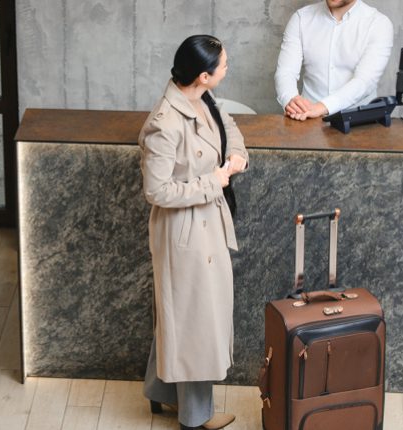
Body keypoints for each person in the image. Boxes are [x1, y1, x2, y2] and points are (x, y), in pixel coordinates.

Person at [138, 34, 249, 430]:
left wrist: (236, 155)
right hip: (184, 232)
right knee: (195, 322)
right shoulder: (164, 123)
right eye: (223, 64)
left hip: (206, 223)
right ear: (204, 75)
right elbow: (156, 191)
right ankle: (195, 417)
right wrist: (213, 181)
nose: (227, 68)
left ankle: (162, 392)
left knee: (182, 315)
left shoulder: (203, 99)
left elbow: (228, 126)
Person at [275, 0, 395, 120]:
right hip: (307, 120)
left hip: (358, 122)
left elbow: (365, 81)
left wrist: (321, 107)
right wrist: (291, 100)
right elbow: (286, 72)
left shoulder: (378, 24)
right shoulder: (301, 18)